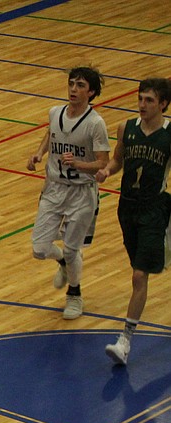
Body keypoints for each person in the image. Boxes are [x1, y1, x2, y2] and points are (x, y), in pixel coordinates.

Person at [96, 77, 171, 366]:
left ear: (163, 103)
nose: (142, 104)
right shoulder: (125, 128)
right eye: (140, 98)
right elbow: (117, 161)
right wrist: (106, 172)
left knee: (139, 276)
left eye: (149, 100)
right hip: (126, 208)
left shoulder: (169, 134)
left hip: (154, 208)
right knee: (141, 269)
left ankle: (124, 341)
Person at [25, 66, 110, 320]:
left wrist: (80, 164)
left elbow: (103, 162)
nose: (74, 89)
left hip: (82, 193)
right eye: (72, 84)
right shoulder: (56, 113)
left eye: (80, 85)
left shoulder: (96, 123)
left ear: (91, 92)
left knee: (74, 249)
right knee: (39, 248)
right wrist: (40, 153)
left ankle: (75, 294)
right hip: (53, 189)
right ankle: (61, 262)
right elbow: (51, 134)